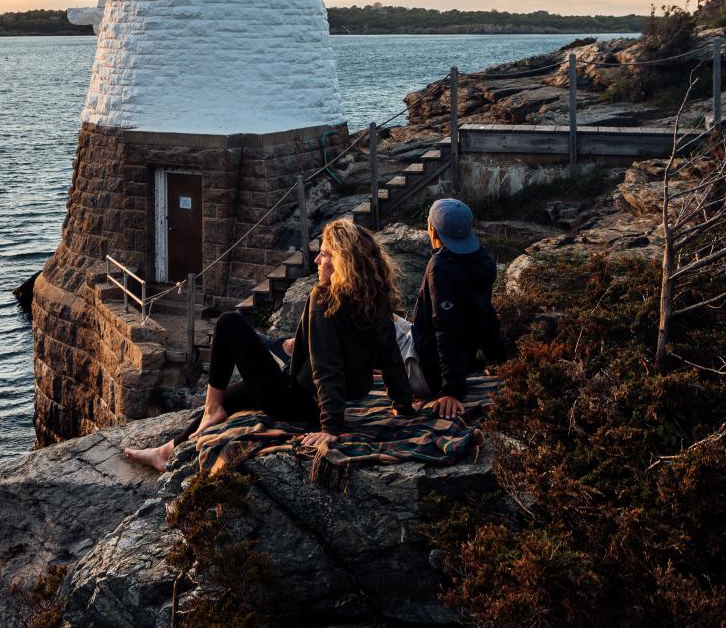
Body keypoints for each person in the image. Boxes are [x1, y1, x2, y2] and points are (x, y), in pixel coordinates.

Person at [123, 217, 413, 474]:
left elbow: (328, 368)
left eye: (323, 255)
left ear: (342, 262)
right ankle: (168, 450)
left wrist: (331, 428)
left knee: (229, 323)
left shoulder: (324, 299)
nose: (316, 261)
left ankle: (210, 410)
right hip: (312, 392)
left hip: (296, 400)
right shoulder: (375, 300)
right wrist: (403, 405)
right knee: (235, 394)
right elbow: (391, 359)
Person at [405, 197, 507, 419]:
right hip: (460, 362)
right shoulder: (483, 260)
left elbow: (446, 329)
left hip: (429, 374)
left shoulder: (440, 268)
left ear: (432, 230)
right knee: (396, 323)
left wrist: (451, 391)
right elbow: (486, 314)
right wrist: (500, 359)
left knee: (380, 325)